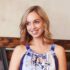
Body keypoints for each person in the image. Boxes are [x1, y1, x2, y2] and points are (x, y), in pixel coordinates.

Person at [9, 5, 67, 70]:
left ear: (44, 23)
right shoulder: (19, 50)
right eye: (28, 23)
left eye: (36, 22)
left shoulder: (58, 51)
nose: (32, 27)